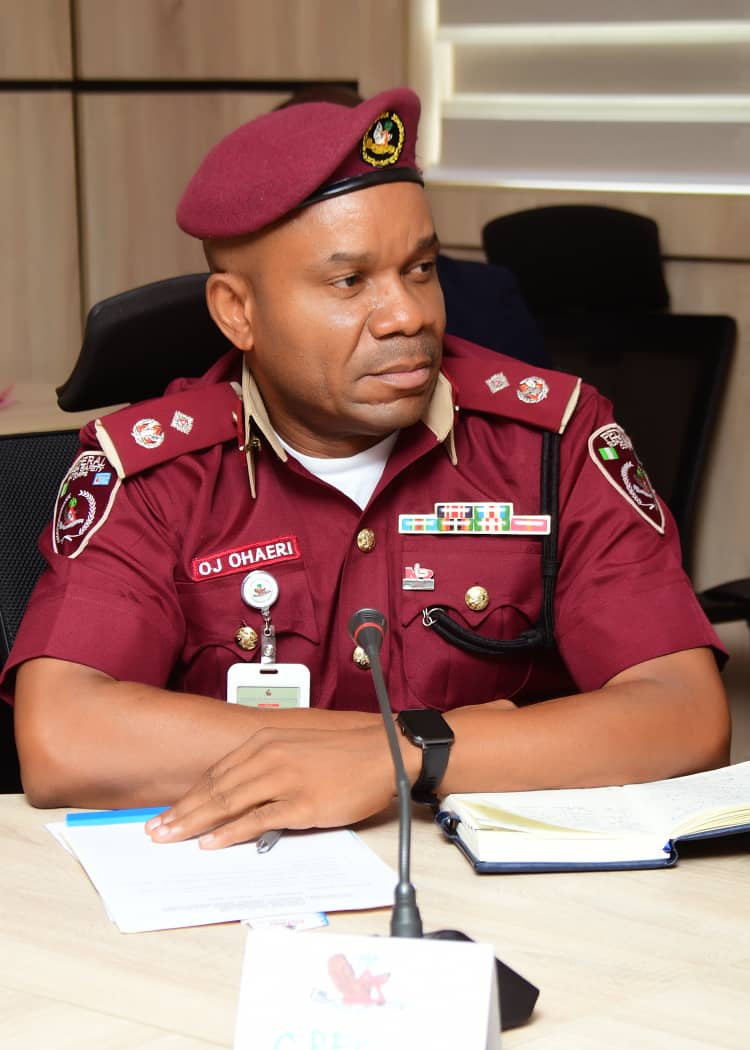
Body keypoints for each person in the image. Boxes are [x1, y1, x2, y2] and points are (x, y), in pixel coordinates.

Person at [2, 88, 729, 852]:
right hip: (251, 887)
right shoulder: (155, 471)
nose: (408, 314)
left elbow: (685, 713)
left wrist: (401, 753)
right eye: (350, 282)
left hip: (497, 887)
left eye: (420, 269)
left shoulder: (553, 440)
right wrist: (388, 747)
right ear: (237, 311)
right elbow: (61, 736)